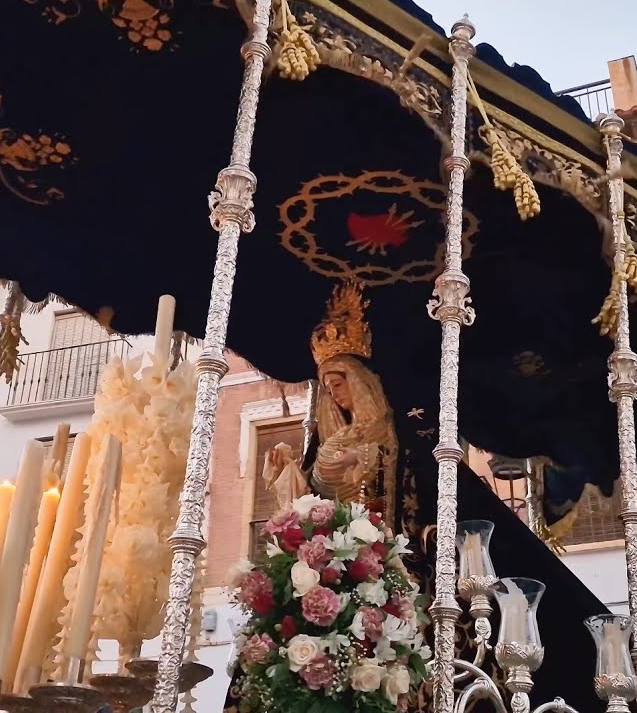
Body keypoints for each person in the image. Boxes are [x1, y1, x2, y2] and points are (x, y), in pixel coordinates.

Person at [227, 281, 610, 713]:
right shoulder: (326, 445)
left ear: (362, 382)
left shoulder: (395, 438)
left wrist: (421, 537)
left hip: (397, 566)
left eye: (341, 383)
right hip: (337, 570)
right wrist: (288, 475)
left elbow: (428, 495)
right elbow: (312, 506)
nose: (335, 394)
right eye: (329, 388)